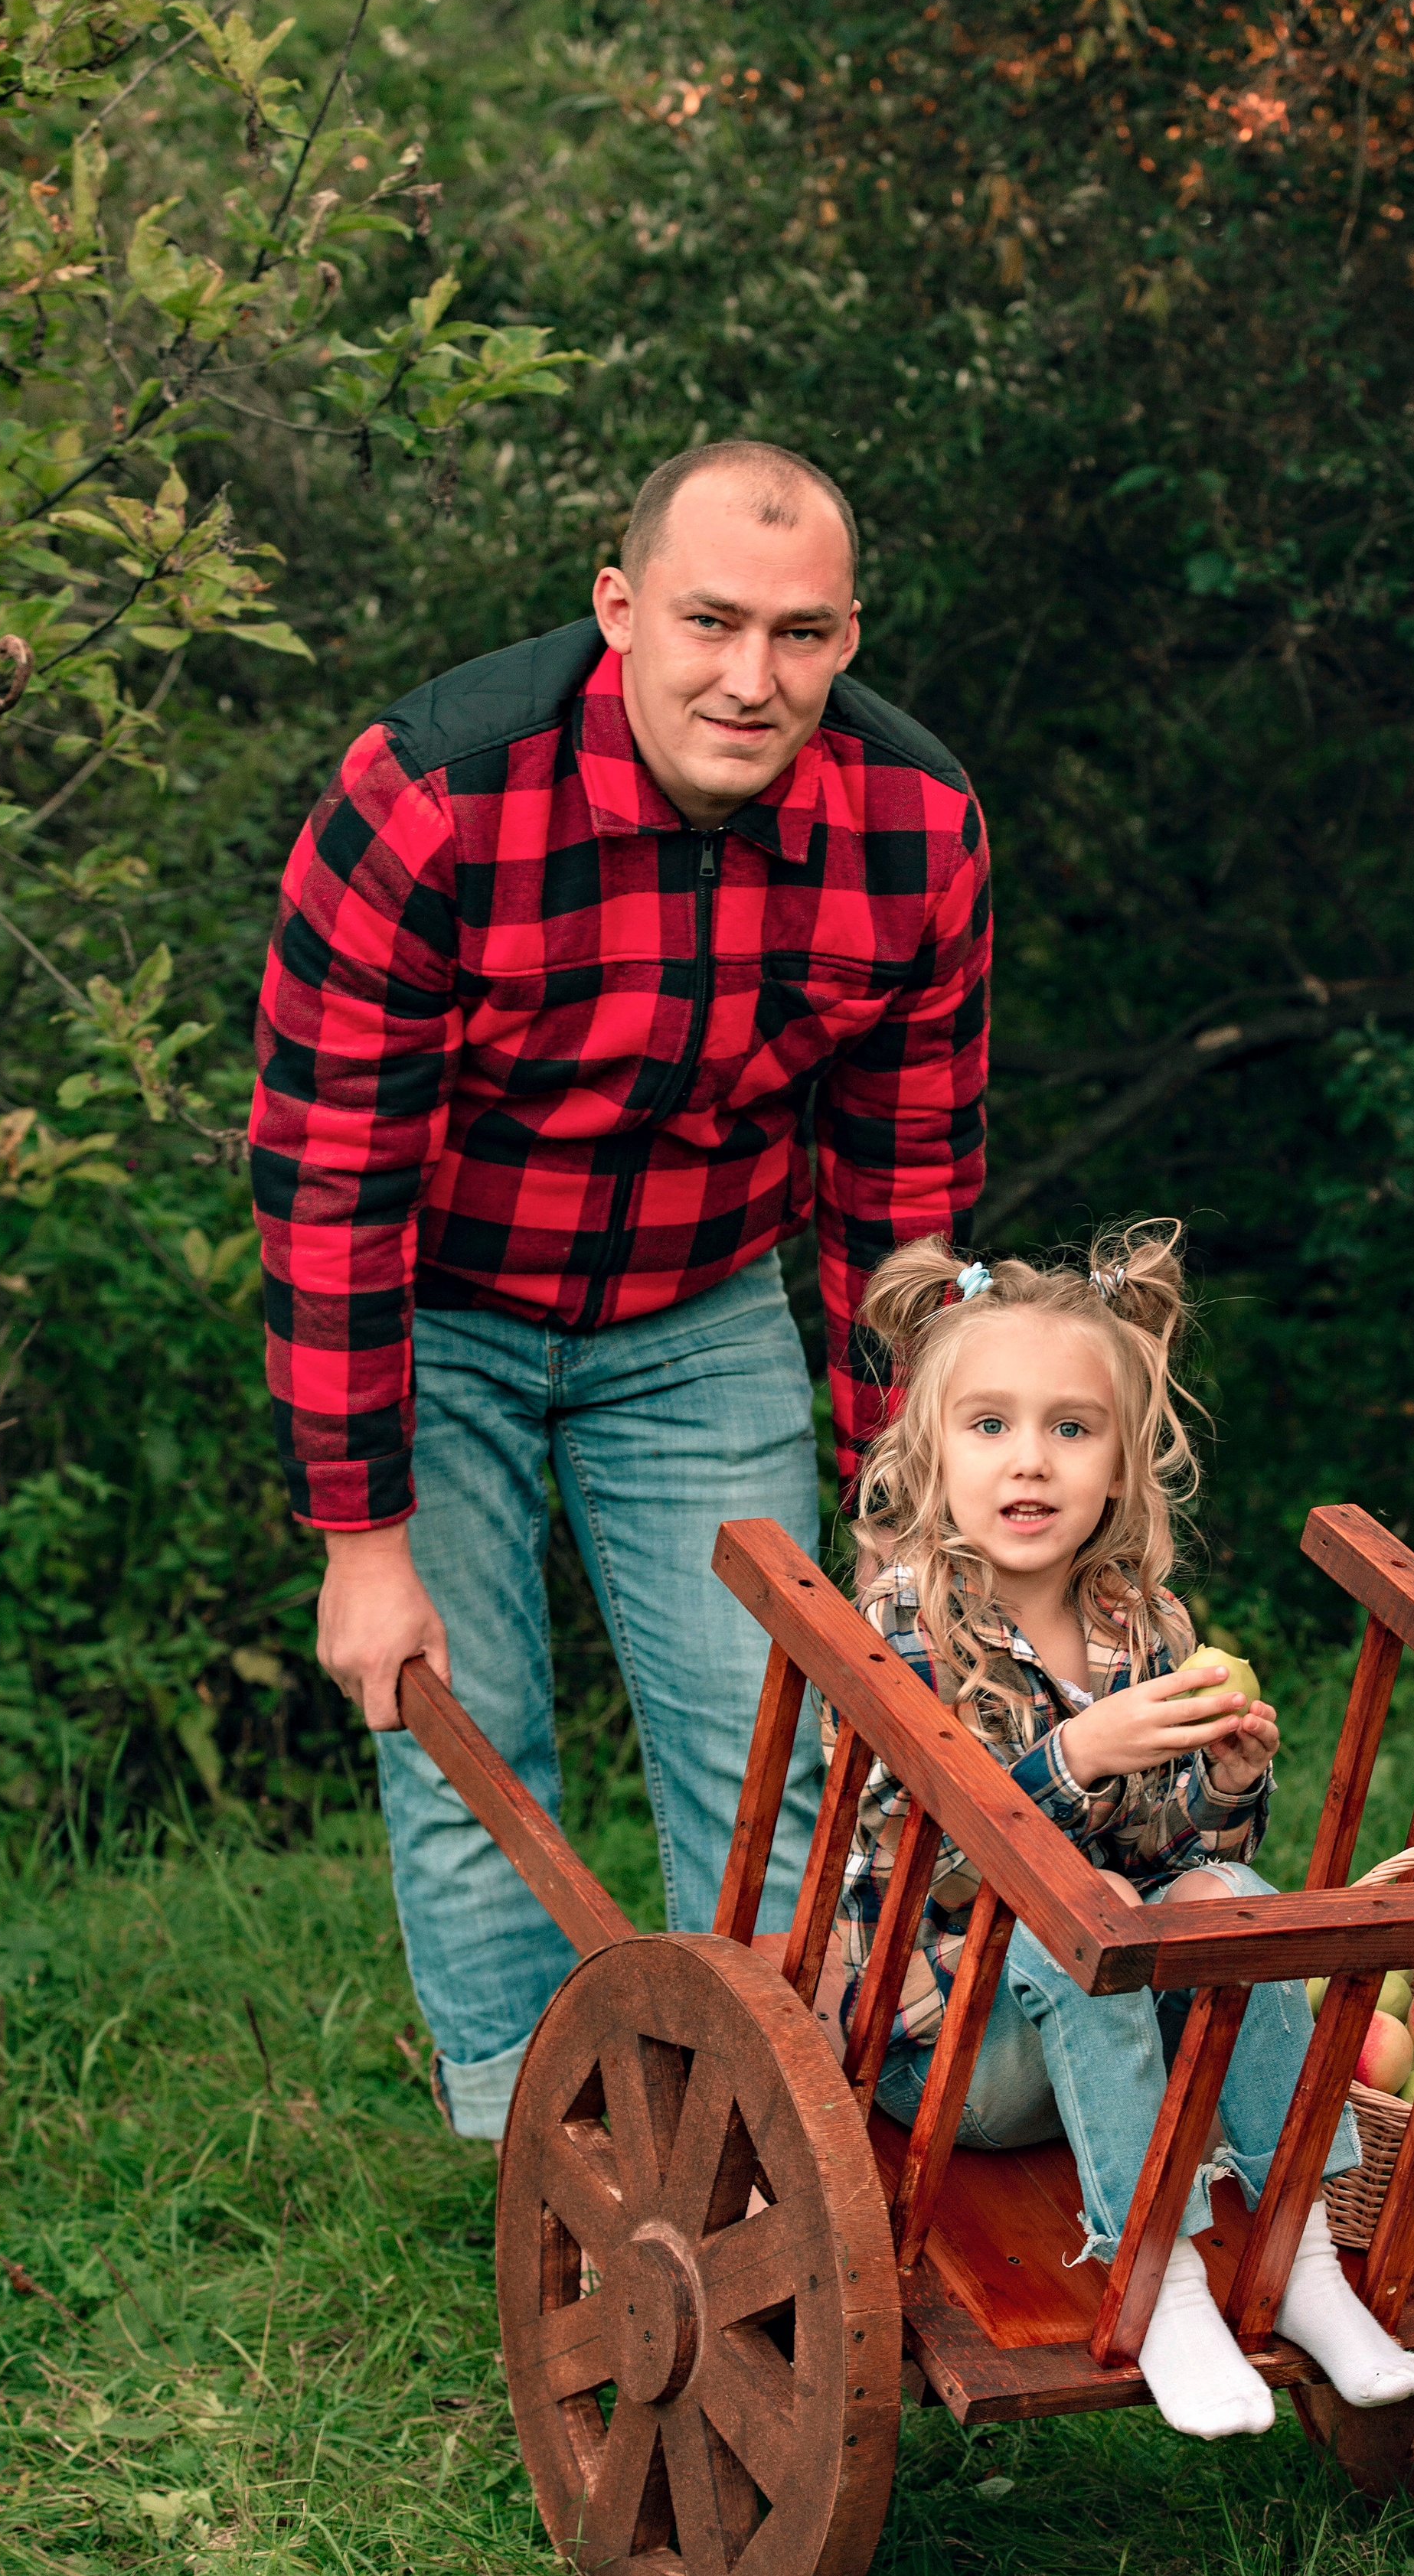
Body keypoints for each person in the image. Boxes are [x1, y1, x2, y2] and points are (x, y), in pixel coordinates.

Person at [251, 440, 990, 2141]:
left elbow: (904, 1193)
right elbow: (330, 1187)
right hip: (439, 1306)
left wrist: (904, 1510)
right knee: (470, 1751)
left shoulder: (916, 828)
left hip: (698, 1309)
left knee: (777, 1738)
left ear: (850, 634)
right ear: (616, 608)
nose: (751, 678)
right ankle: (552, 2162)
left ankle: (780, 2129)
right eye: (708, 621)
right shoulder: (427, 798)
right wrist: (362, 1544)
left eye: (799, 635)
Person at [837, 1225, 1414, 2441]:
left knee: (1231, 1903)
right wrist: (1074, 1758)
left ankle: (1300, 2256)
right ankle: (1155, 2282)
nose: (1031, 1462)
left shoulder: (1142, 1622)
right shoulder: (904, 1620)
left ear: (1120, 1461)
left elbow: (1166, 1862)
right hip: (951, 2041)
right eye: (989, 1426)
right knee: (1079, 1931)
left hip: (1112, 2033)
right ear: (931, 1452)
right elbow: (929, 1875)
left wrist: (1216, 1785)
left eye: (1072, 1428)